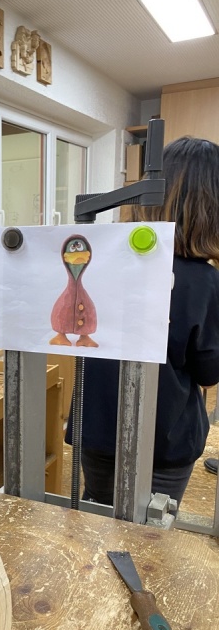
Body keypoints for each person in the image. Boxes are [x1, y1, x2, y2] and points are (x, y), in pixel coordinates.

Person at [66, 136, 219, 507]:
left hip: (97, 427)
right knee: (151, 530)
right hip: (165, 438)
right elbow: (209, 373)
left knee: (95, 516)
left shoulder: (100, 262)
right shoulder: (203, 281)